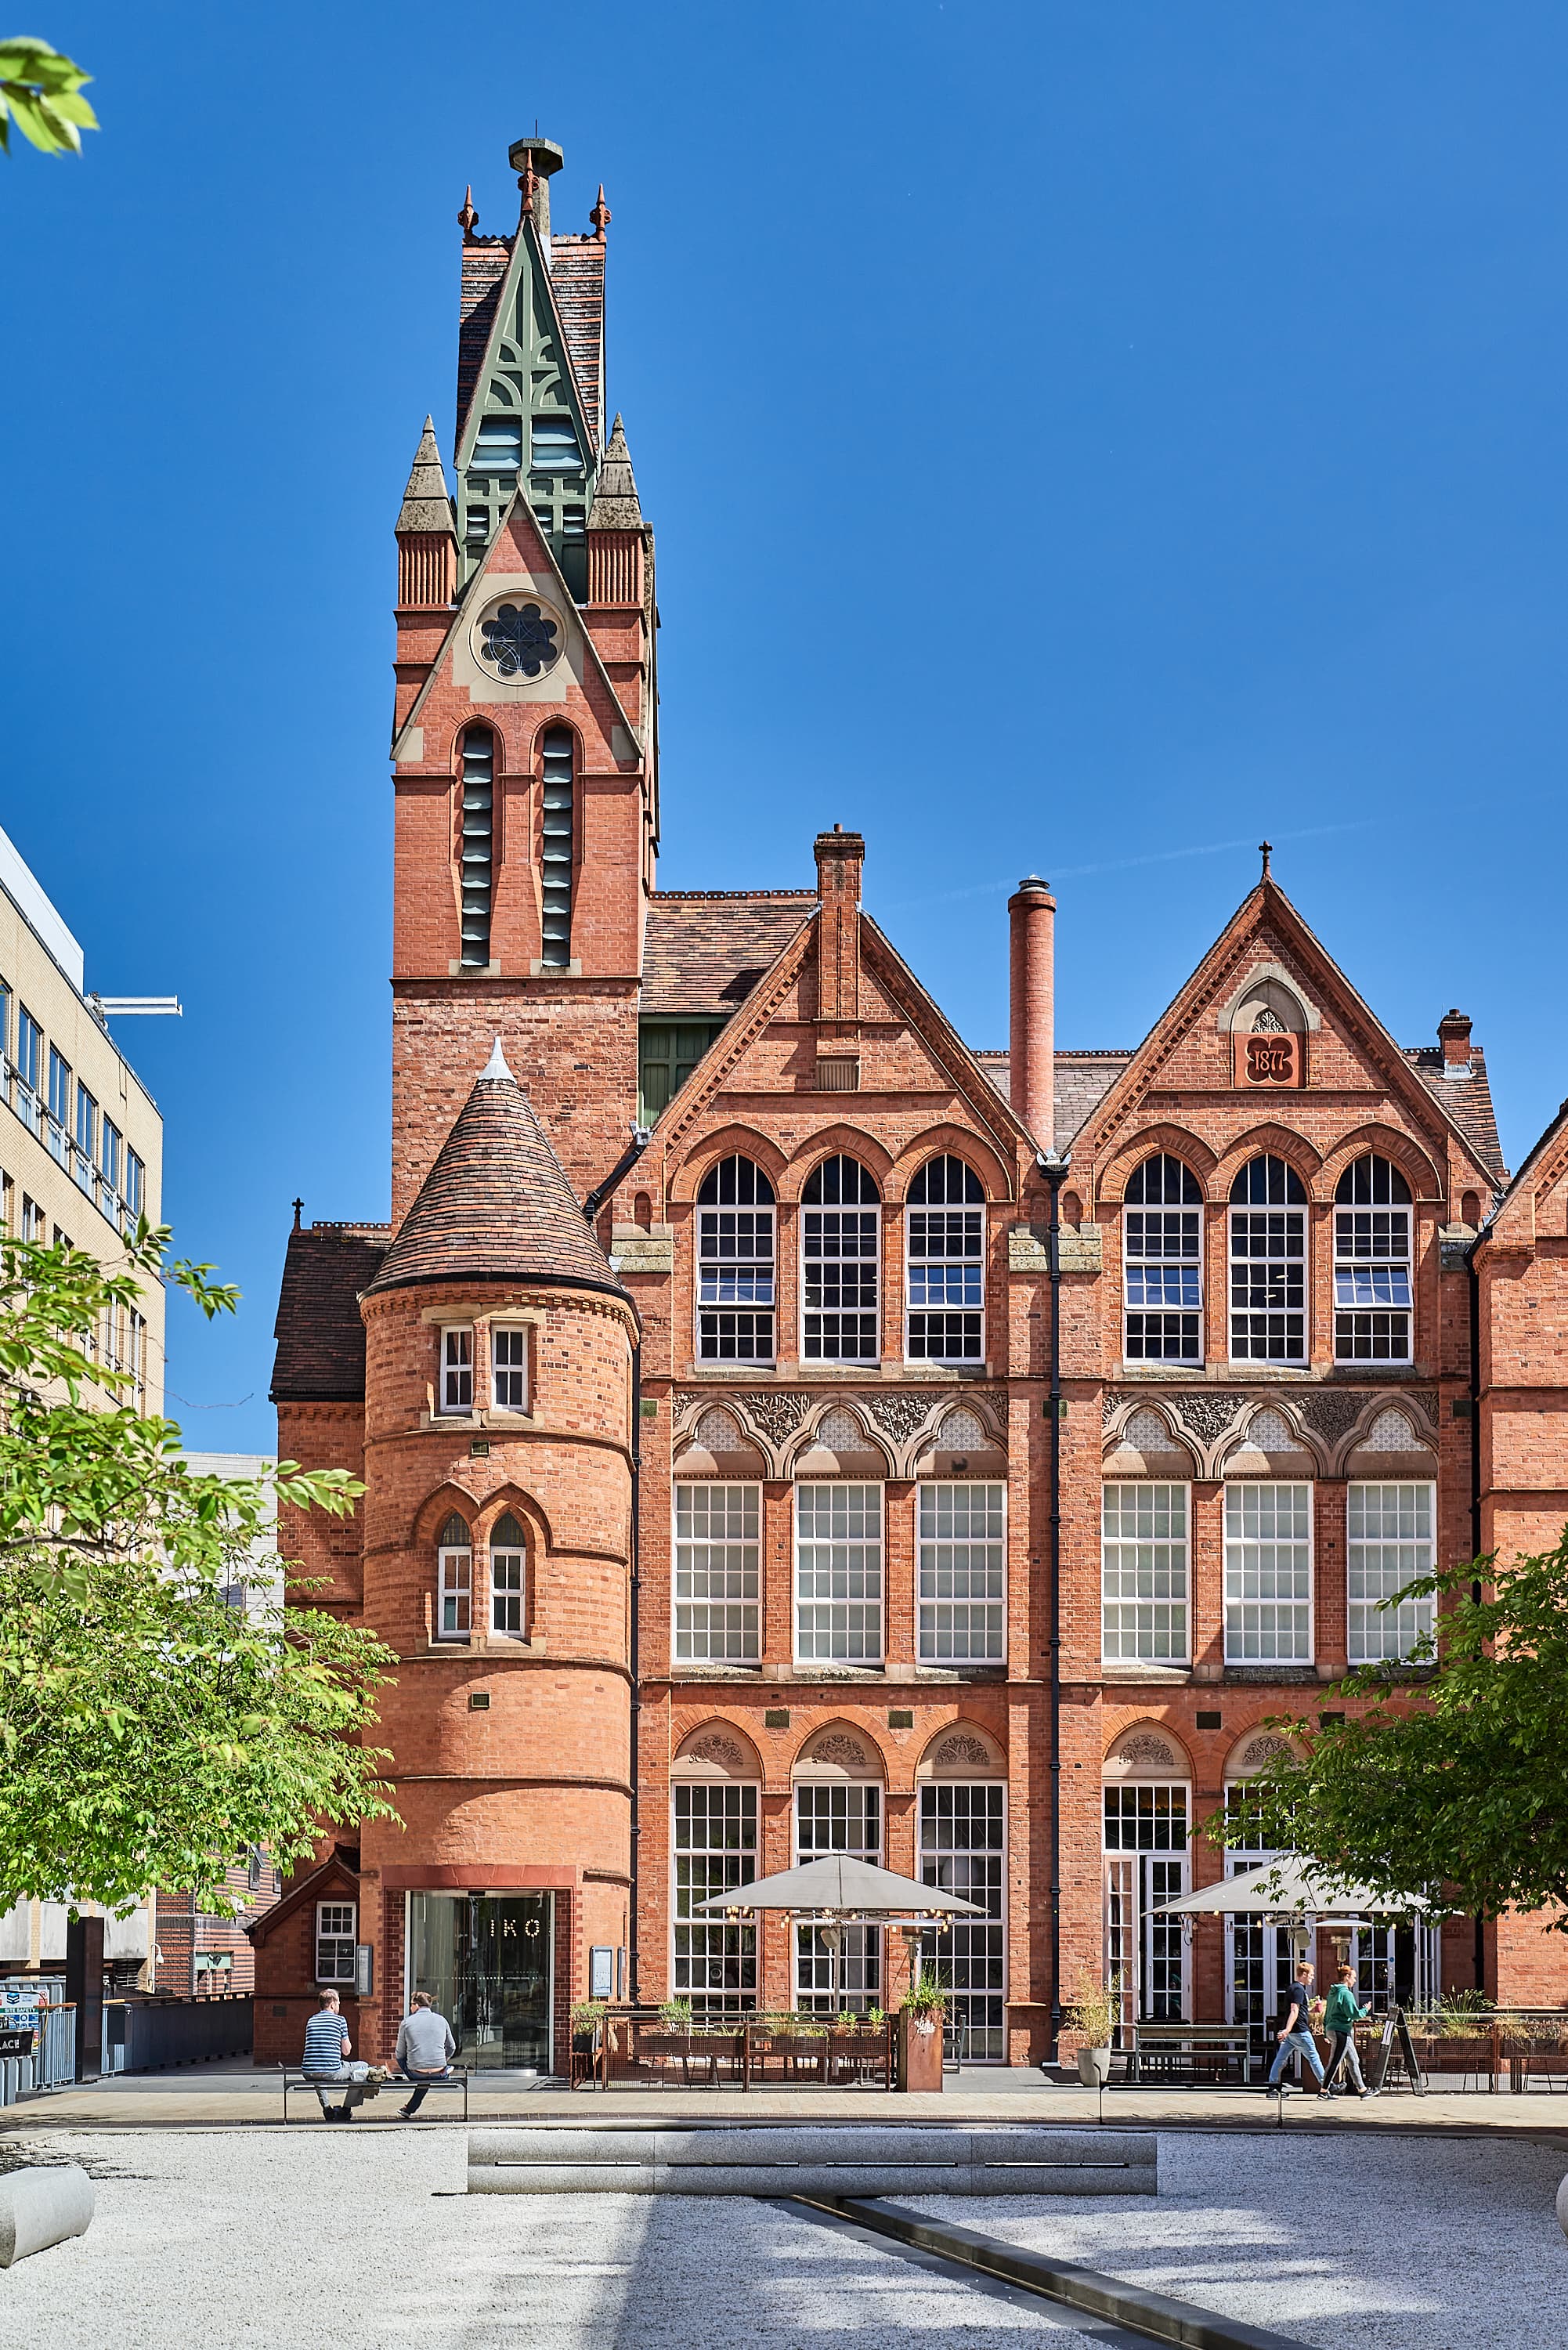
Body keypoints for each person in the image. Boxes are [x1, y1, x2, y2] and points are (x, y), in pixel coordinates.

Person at [302, 1988, 374, 2120]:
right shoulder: (340, 2020)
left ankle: (327, 2109)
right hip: (332, 2072)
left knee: (319, 2068)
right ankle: (345, 2110)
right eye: (339, 2003)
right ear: (332, 2004)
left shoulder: (311, 2020)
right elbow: (347, 2051)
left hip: (308, 2071)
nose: (339, 2006)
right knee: (362, 2066)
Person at [1265, 1961, 1328, 2097]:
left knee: (1281, 2058)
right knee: (1313, 2056)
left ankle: (1273, 2086)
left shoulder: (1293, 1988)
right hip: (1300, 2030)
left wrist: (1313, 2010)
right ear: (1304, 1974)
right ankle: (1326, 2086)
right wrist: (1287, 2030)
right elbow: (1294, 2010)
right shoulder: (1299, 1990)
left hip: (1293, 2032)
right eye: (1311, 1975)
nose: (1313, 1978)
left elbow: (1299, 2010)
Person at [394, 1990, 457, 2119]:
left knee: (416, 2068)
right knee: (428, 2074)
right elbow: (452, 2047)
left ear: (416, 2005)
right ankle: (445, 2070)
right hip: (438, 2071)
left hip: (416, 2072)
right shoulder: (442, 2020)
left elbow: (399, 2053)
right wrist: (444, 2060)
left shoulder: (406, 2023)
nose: (410, 2007)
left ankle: (410, 2108)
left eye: (411, 2004)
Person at [1321, 1965, 1377, 2098]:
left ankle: (1362, 2090)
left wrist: (1325, 2031)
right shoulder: (1346, 1993)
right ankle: (1323, 2091)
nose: (1355, 1980)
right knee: (1334, 2061)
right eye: (1354, 1977)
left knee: (1353, 2060)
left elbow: (1327, 2013)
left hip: (1333, 2028)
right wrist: (1366, 2009)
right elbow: (1354, 2015)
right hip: (1341, 2031)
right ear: (1347, 1977)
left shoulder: (1333, 1993)